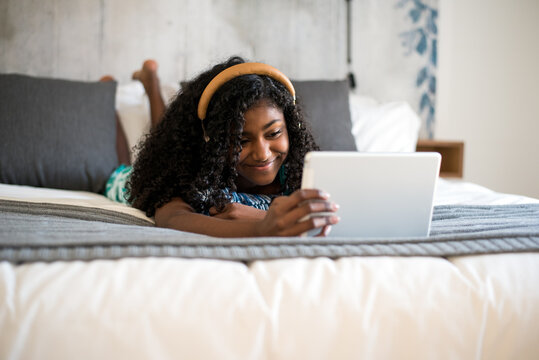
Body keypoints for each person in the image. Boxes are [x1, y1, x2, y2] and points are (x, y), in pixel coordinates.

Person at [107, 56, 340, 237]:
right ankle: (138, 91)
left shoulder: (299, 173)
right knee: (123, 165)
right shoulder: (197, 174)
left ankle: (150, 83)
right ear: (214, 139)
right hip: (129, 178)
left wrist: (258, 216)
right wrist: (261, 229)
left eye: (274, 133)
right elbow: (172, 218)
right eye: (241, 140)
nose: (262, 154)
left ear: (291, 128)